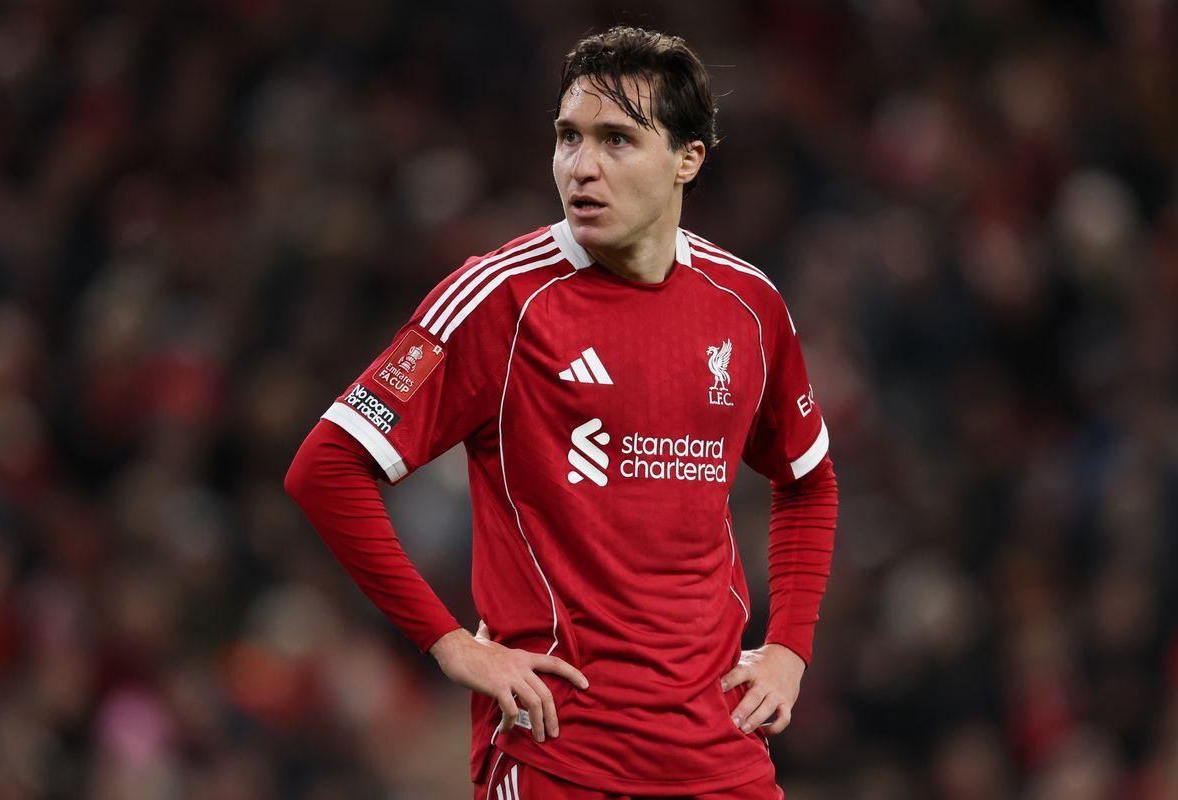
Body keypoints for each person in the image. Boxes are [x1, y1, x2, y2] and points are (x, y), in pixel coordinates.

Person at [285, 26, 838, 800]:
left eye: (617, 140)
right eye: (568, 137)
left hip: (719, 754)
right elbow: (325, 467)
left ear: (687, 159)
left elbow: (807, 479)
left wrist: (789, 648)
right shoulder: (498, 299)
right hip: (559, 753)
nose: (581, 166)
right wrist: (450, 644)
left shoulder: (748, 305)